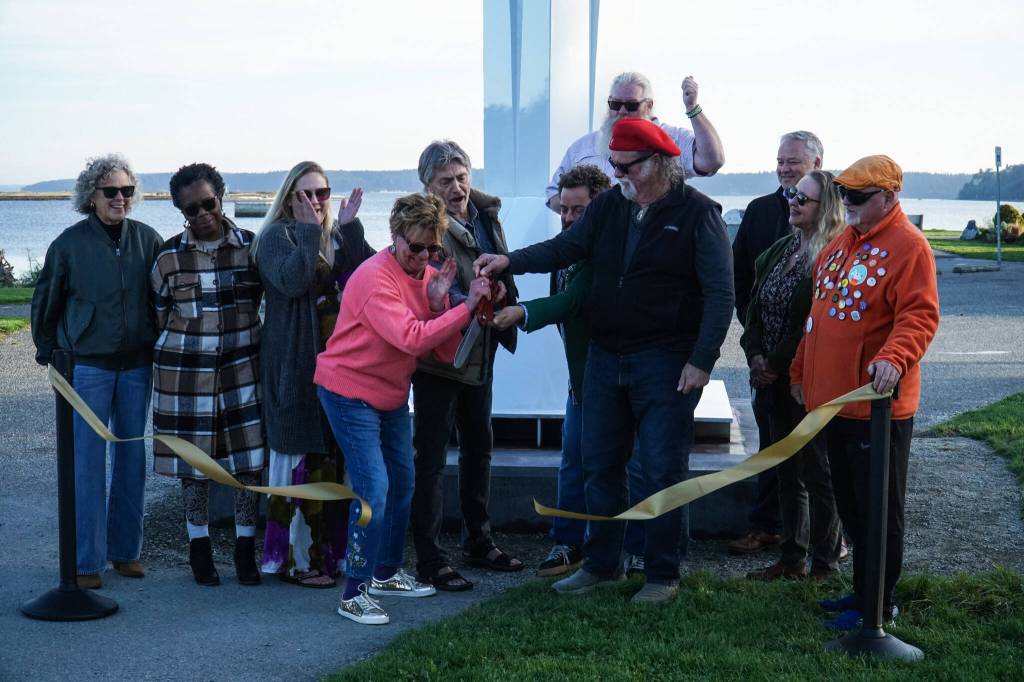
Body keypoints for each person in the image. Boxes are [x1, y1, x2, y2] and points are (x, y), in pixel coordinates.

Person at [477, 118, 734, 604]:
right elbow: (566, 247)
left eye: (626, 167)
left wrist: (702, 360)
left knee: (661, 468)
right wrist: (509, 261)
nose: (618, 175)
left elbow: (721, 295)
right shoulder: (611, 207)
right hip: (605, 356)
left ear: (658, 162)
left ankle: (661, 574)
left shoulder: (699, 213)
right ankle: (601, 564)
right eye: (613, 165)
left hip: (665, 361)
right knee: (600, 465)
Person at [315, 192, 496, 625]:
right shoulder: (375, 278)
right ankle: (353, 592)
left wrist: (440, 305)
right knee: (373, 490)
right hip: (348, 392)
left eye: (433, 249)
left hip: (391, 396)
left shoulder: (429, 277)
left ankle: (387, 572)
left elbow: (443, 352)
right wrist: (464, 306)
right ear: (394, 237)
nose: (423, 257)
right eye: (414, 248)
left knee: (404, 484)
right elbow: (412, 338)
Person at [790, 155, 940, 630]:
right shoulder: (841, 243)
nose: (847, 204)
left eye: (856, 196)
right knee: (851, 508)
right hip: (835, 405)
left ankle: (880, 604)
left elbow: (918, 316)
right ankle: (861, 592)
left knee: (879, 510)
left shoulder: (910, 247)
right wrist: (800, 369)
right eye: (844, 195)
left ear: (888, 198)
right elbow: (818, 316)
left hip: (877, 408)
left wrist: (893, 359)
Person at [31, 154, 163, 589]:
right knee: (87, 464)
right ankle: (87, 561)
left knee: (131, 460)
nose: (120, 198)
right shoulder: (68, 244)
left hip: (136, 367)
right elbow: (45, 301)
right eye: (111, 191)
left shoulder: (148, 240)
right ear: (91, 196)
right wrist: (48, 352)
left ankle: (126, 552)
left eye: (126, 190)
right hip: (87, 368)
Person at [252, 161, 375, 587]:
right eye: (305, 194)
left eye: (322, 193)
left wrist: (350, 227)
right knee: (298, 456)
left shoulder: (334, 235)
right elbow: (293, 282)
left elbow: (369, 278)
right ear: (289, 198)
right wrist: (308, 231)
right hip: (294, 365)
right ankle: (295, 560)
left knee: (330, 458)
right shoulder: (274, 237)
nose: (315, 202)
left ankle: (330, 555)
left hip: (339, 367)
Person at [410, 140, 521, 592]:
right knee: (431, 458)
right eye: (444, 181)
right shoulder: (421, 225)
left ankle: (479, 539)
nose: (456, 188)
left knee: (480, 445)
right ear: (427, 185)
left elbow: (500, 268)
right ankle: (429, 557)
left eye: (461, 177)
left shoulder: (486, 213)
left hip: (482, 349)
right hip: (439, 357)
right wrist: (470, 299)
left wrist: (501, 298)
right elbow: (423, 289)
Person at [491, 164, 611, 577]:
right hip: (580, 382)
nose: (570, 218)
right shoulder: (567, 247)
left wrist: (520, 313)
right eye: (564, 209)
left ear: (601, 207)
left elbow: (571, 301)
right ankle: (568, 543)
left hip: (606, 380)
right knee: (572, 463)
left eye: (579, 210)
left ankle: (608, 550)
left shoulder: (604, 252)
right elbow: (546, 264)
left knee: (600, 466)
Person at [151, 163, 265, 586]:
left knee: (248, 465)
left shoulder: (252, 248)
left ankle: (244, 551)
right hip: (184, 374)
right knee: (192, 467)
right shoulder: (167, 257)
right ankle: (198, 549)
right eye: (190, 209)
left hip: (242, 371)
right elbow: (159, 314)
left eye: (207, 203)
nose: (201, 214)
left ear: (221, 196)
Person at [739, 170, 844, 581]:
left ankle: (825, 562)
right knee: (785, 471)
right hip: (770, 380)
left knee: (818, 473)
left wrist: (777, 364)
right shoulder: (781, 249)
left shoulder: (832, 256)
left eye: (803, 198)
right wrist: (755, 356)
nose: (793, 202)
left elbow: (811, 324)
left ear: (827, 208)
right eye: (792, 195)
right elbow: (754, 307)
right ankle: (791, 557)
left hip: (807, 384)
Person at [729, 131, 823, 556]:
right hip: (762, 361)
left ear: (817, 164)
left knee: (811, 460)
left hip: (803, 368)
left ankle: (820, 545)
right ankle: (771, 529)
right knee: (772, 447)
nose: (784, 169)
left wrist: (780, 360)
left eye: (794, 162)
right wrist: (755, 354)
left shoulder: (833, 240)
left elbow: (814, 315)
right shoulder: (760, 211)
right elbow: (741, 284)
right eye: (780, 161)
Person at [545, 72, 724, 212]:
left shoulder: (671, 138)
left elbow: (712, 160)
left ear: (649, 106)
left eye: (631, 105)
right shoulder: (582, 146)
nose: (622, 111)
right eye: (615, 104)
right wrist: (588, 214)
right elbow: (553, 195)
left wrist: (692, 108)